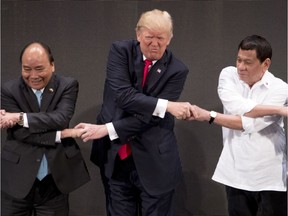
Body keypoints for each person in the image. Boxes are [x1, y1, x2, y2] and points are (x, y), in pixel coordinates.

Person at [75, 9, 192, 216]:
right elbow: (123, 96)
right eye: (149, 38)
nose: (154, 44)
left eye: (160, 38)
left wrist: (107, 129)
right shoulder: (120, 51)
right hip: (116, 156)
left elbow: (151, 118)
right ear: (138, 35)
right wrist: (166, 105)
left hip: (155, 161)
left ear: (170, 38)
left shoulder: (177, 70)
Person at [189, 35, 288, 216]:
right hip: (235, 173)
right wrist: (279, 110)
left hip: (269, 176)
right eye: (239, 60)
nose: (241, 67)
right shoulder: (229, 75)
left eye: (248, 62)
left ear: (265, 64)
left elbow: (249, 124)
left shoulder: (280, 88)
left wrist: (209, 116)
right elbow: (235, 106)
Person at [0, 42, 90, 216]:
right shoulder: (9, 90)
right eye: (27, 69)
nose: (33, 75)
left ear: (52, 65)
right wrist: (61, 135)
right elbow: (20, 133)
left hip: (54, 180)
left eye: (39, 69)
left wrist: (20, 117)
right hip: (16, 178)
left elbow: (60, 118)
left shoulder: (67, 85)